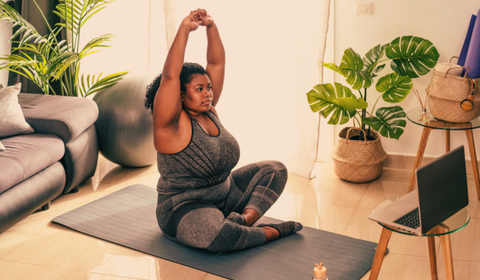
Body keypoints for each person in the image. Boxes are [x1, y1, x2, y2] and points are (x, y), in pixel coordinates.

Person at [144, 9, 302, 253]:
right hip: (184, 208)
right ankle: (268, 232)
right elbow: (169, 75)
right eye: (200, 88)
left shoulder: (210, 110)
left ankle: (246, 220)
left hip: (227, 198)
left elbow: (217, 62)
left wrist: (211, 26)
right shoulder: (170, 127)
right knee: (219, 236)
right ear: (181, 94)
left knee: (275, 169)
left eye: (208, 87)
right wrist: (185, 28)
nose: (208, 93)